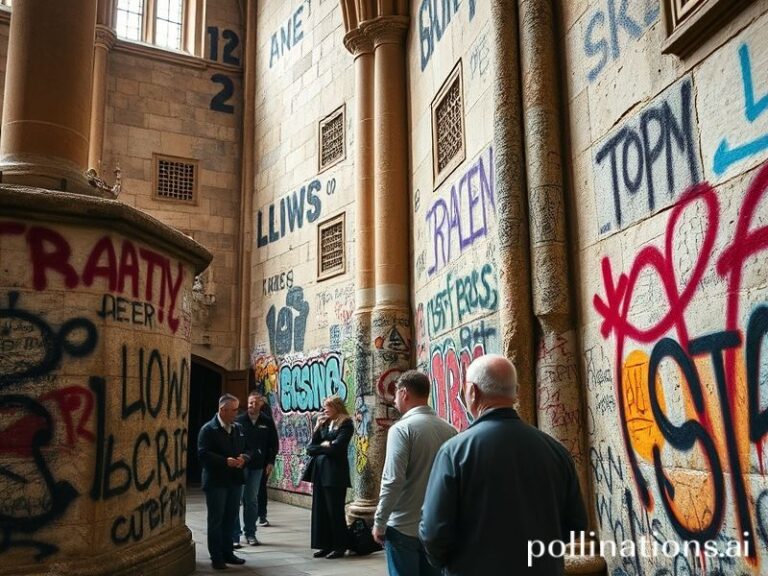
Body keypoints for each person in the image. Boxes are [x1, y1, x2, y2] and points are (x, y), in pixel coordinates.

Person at [419, 354, 587, 576]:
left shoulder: (454, 452)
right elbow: (576, 525)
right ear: (515, 391)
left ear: (473, 391)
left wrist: (449, 563)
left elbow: (434, 532)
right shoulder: (556, 451)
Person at [373, 370, 457, 576]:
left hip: (403, 527)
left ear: (404, 393)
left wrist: (379, 522)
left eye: (395, 395)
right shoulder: (450, 430)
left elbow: (392, 480)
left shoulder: (401, 429)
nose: (394, 401)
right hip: (435, 527)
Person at [198, 393, 250, 570]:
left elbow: (249, 448)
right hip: (216, 482)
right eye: (234, 410)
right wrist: (224, 461)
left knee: (231, 518)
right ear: (223, 410)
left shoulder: (238, 428)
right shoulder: (208, 429)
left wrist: (244, 458)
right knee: (216, 520)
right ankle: (216, 556)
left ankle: (228, 553)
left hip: (235, 480)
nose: (237, 413)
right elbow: (203, 455)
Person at [305, 394, 353, 559]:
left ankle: (340, 546)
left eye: (327, 407)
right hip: (320, 472)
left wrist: (326, 446)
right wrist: (318, 429)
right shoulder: (324, 423)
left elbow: (337, 448)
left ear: (336, 407)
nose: (324, 410)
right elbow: (310, 448)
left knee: (335, 511)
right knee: (321, 510)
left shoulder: (346, 423)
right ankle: (325, 545)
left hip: (335, 474)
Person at [232, 390, 278, 547]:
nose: (253, 405)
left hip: (258, 466)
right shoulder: (239, 420)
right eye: (250, 402)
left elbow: (273, 443)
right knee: (236, 499)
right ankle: (235, 536)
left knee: (251, 500)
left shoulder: (267, 421)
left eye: (256, 403)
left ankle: (250, 533)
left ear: (261, 404)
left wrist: (270, 461)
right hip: (241, 465)